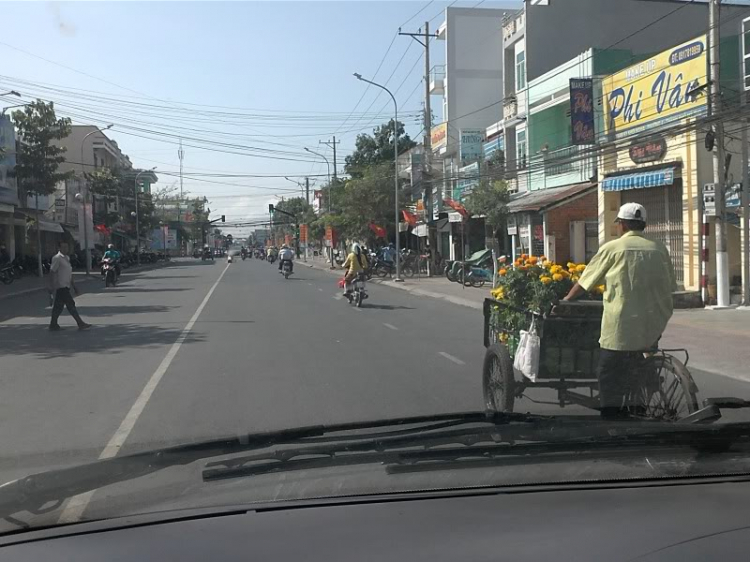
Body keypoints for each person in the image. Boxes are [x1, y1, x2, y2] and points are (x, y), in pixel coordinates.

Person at [562, 203, 675, 419]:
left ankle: (612, 419)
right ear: (644, 225)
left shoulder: (612, 248)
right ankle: (641, 405)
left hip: (620, 326)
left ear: (621, 225)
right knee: (643, 363)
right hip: (654, 323)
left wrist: (566, 300)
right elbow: (671, 286)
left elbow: (586, 282)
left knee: (608, 374)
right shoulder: (659, 248)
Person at [48, 241, 91, 331]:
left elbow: (69, 274)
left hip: (66, 285)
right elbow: (52, 271)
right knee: (70, 304)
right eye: (63, 247)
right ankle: (80, 323)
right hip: (61, 285)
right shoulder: (57, 258)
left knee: (58, 306)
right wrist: (51, 285)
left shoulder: (67, 258)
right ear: (59, 248)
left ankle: (53, 324)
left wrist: (74, 286)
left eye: (66, 247)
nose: (65, 249)